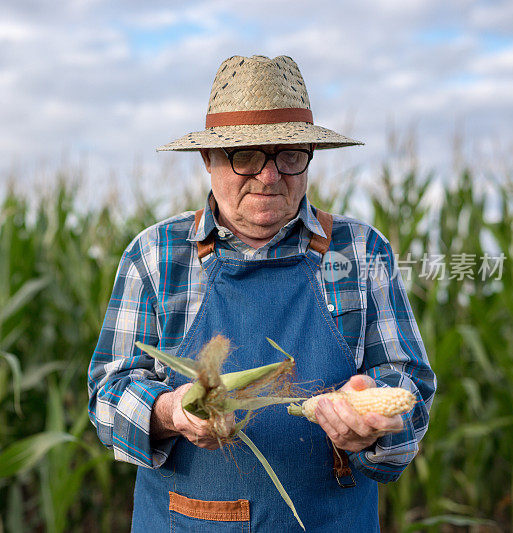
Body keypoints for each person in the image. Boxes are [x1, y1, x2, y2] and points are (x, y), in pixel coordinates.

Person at [87, 55, 436, 531]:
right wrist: (172, 411)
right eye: (245, 155)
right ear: (207, 160)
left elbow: (411, 387)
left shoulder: (360, 251)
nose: (270, 176)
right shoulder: (154, 255)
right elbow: (108, 392)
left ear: (309, 157)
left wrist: (375, 419)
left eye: (289, 155)